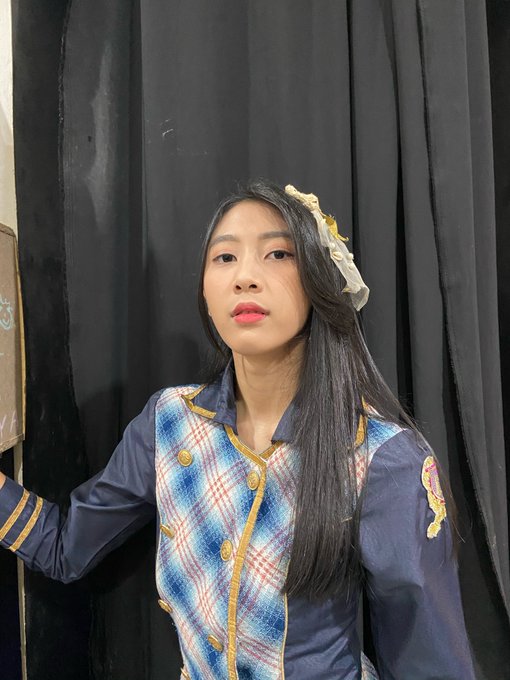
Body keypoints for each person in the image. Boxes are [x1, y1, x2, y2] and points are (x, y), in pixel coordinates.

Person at [0, 180, 475, 679]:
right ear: (205, 291)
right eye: (224, 257)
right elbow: (65, 548)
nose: (245, 277)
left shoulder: (379, 457)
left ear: (319, 279)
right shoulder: (169, 424)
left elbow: (430, 662)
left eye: (278, 254)